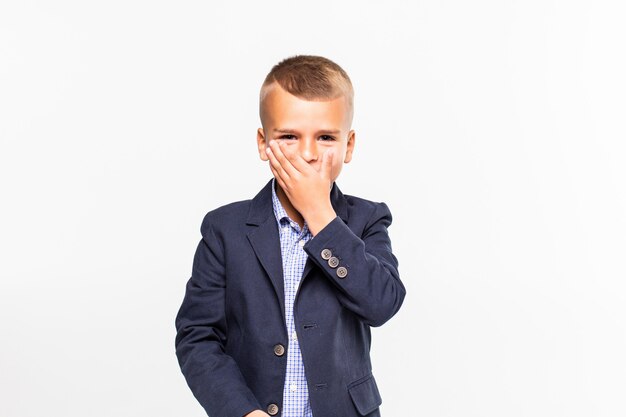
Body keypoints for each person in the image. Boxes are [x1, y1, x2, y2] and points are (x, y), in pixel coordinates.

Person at [175, 55, 406, 417]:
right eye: (289, 137)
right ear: (263, 143)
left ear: (349, 146)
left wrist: (321, 216)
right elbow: (197, 338)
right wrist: (242, 411)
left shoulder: (366, 219)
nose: (309, 154)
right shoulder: (225, 229)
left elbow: (382, 304)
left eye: (326, 137)